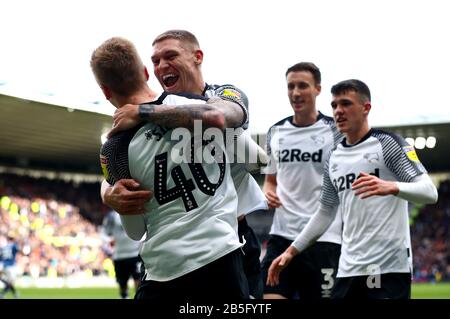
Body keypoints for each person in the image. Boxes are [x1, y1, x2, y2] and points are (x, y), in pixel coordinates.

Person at [102, 30, 268, 298]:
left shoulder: (221, 95)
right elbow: (116, 170)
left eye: (170, 56)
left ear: (197, 57)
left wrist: (144, 112)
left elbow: (256, 157)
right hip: (174, 252)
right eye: (155, 61)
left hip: (231, 238)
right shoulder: (139, 125)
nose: (161, 67)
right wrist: (108, 191)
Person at [267, 79, 438, 299]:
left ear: (366, 108)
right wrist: (291, 252)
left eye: (346, 104)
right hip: (348, 268)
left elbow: (429, 192)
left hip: (385, 266)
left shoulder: (388, 144)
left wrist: (392, 187)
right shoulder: (333, 157)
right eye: (334, 105)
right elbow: (325, 212)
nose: (338, 111)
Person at [261, 62, 343, 300]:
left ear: (318, 89)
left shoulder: (335, 131)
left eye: (302, 86)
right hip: (282, 235)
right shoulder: (275, 132)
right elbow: (270, 180)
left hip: (323, 238)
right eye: (291, 86)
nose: (295, 93)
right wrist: (268, 190)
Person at [101, 210, 142, 299]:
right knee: (122, 283)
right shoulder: (111, 216)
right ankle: (124, 296)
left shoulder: (135, 210)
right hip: (119, 255)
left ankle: (138, 296)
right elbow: (103, 233)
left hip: (135, 253)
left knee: (138, 280)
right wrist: (109, 240)